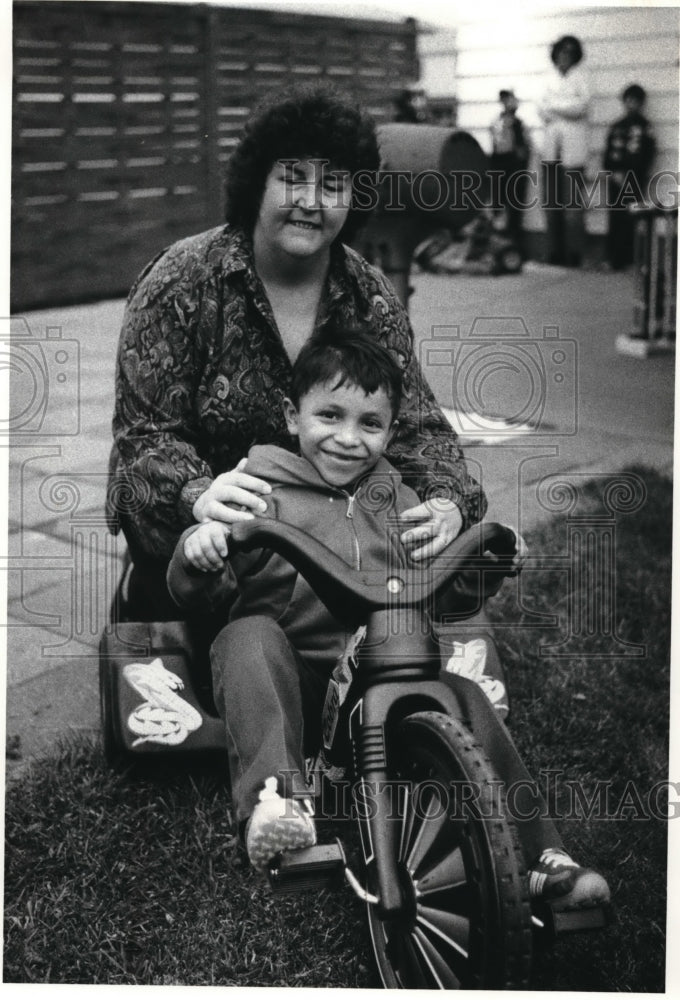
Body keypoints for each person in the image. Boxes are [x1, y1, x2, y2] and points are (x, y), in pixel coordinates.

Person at [166, 326, 611, 914]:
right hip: (291, 676)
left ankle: (542, 858)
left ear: (391, 431)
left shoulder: (400, 503)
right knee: (248, 636)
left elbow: (444, 599)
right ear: (291, 416)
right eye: (329, 415)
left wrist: (488, 565)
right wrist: (200, 552)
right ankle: (278, 804)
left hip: (379, 675)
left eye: (370, 424)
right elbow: (201, 596)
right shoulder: (258, 492)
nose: (348, 439)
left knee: (461, 692)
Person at [105, 84, 485, 630]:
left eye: (333, 185)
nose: (312, 201)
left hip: (336, 549)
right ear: (257, 183)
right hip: (215, 544)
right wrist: (198, 494)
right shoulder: (180, 281)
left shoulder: (369, 296)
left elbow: (417, 426)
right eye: (292, 179)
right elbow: (144, 437)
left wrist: (449, 500)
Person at [538, 35, 590, 267]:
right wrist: (564, 107)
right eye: (560, 53)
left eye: (568, 54)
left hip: (573, 156)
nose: (563, 58)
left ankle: (574, 254)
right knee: (551, 206)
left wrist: (555, 106)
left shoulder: (583, 78)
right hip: (551, 154)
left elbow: (582, 107)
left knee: (573, 208)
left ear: (575, 56)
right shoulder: (547, 79)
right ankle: (554, 253)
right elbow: (541, 107)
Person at [603, 84, 656, 270]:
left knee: (632, 217)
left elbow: (648, 153)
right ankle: (614, 259)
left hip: (634, 179)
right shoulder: (617, 126)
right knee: (615, 217)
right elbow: (608, 153)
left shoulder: (645, 126)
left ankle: (632, 258)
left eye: (635, 101)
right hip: (615, 180)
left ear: (641, 103)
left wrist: (634, 174)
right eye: (628, 100)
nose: (631, 104)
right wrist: (613, 172)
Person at [490, 89, 530, 257]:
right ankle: (498, 242)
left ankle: (515, 245)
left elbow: (523, 149)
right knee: (498, 205)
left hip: (515, 168)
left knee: (515, 208)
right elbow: (496, 145)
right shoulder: (497, 122)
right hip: (500, 166)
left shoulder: (519, 124)